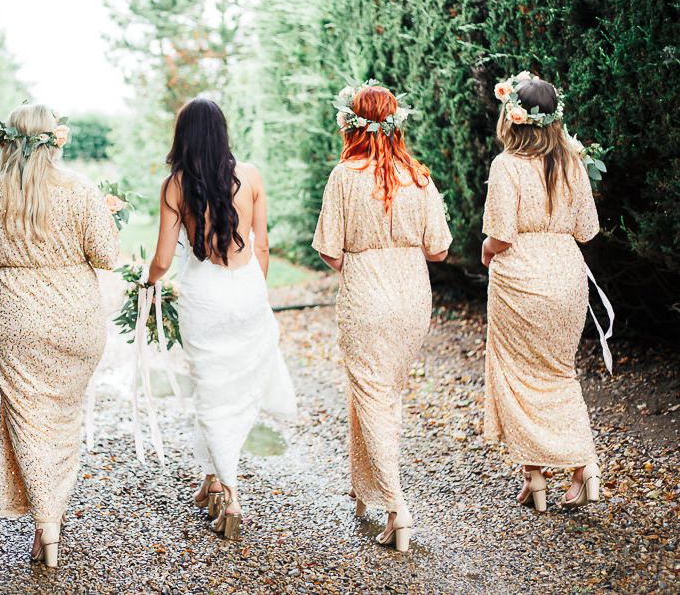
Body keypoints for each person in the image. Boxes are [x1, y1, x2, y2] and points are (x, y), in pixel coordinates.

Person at [0, 104, 119, 567]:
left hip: (14, 321)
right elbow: (107, 256)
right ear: (55, 140)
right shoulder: (81, 191)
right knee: (63, 419)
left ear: (6, 141)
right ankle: (52, 520)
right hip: (76, 321)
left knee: (27, 418)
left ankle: (46, 526)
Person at [145, 97, 296, 540]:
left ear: (184, 136)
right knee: (236, 386)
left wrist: (146, 282)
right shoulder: (249, 176)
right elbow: (262, 246)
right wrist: (255, 294)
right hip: (246, 288)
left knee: (210, 389)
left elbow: (161, 258)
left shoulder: (174, 185)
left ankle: (229, 492)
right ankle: (212, 479)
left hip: (204, 295)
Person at [312, 82, 452, 552]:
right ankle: (365, 488)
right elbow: (440, 248)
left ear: (350, 122)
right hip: (413, 296)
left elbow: (330, 251)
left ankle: (397, 507)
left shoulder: (344, 176)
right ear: (397, 122)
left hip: (366, 295)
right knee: (383, 392)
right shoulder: (420, 176)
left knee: (370, 393)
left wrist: (363, 258)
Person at [482, 72, 602, 512]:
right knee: (558, 372)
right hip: (567, 277)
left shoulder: (507, 166)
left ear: (512, 117)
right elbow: (587, 230)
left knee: (518, 376)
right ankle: (582, 469)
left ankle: (537, 478)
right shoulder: (573, 161)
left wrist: (484, 251)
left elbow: (500, 235)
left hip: (520, 281)